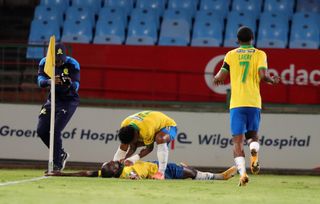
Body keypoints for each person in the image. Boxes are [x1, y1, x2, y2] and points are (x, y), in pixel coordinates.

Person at [213, 26, 280, 186]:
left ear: (237, 40)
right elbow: (263, 76)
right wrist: (273, 80)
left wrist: (216, 78)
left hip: (236, 103)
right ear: (252, 39)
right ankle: (254, 151)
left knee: (237, 141)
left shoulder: (230, 55)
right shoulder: (260, 54)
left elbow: (220, 77)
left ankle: (243, 174)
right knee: (253, 136)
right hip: (253, 102)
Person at [36, 43, 80, 171]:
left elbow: (77, 85)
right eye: (56, 59)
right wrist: (50, 81)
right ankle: (60, 153)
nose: (59, 62)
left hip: (69, 100)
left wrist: (68, 83)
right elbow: (40, 81)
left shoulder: (73, 63)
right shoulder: (44, 62)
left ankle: (57, 164)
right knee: (41, 130)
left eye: (61, 59)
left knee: (55, 130)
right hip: (53, 100)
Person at [113, 111, 177, 180]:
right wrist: (122, 161)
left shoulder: (146, 130)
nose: (131, 144)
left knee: (160, 138)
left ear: (136, 135)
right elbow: (132, 146)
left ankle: (161, 173)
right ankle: (115, 162)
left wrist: (132, 159)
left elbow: (149, 149)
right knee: (124, 142)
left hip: (168, 125)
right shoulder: (124, 124)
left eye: (133, 141)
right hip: (152, 122)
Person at [46, 160, 237, 181]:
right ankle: (221, 177)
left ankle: (187, 168)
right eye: (111, 165)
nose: (112, 162)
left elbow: (85, 173)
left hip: (155, 165)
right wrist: (136, 177)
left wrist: (60, 173)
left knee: (187, 169)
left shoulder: (108, 171)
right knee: (190, 173)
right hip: (161, 170)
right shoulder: (125, 172)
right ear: (114, 171)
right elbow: (134, 177)